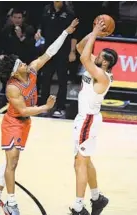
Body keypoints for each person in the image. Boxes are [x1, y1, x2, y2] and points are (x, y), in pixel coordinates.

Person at [0, 18, 79, 215]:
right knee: (12, 164)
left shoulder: (32, 70)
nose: (24, 63)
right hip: (12, 123)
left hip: (24, 124)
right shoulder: (12, 88)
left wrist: (66, 32)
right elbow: (24, 110)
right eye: (20, 64)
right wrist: (46, 107)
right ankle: (10, 203)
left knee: (11, 162)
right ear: (14, 72)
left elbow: (49, 52)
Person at [70, 19, 118, 215]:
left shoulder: (103, 76)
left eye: (100, 56)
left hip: (88, 121)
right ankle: (97, 198)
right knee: (83, 161)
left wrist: (96, 32)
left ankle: (78, 206)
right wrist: (93, 33)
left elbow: (83, 58)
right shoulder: (96, 68)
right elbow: (82, 48)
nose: (95, 55)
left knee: (80, 163)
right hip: (84, 120)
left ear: (105, 62)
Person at [35, 1, 77, 118]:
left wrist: (72, 51)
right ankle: (44, 105)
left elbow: (74, 35)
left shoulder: (70, 13)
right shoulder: (46, 9)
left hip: (63, 51)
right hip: (48, 50)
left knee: (62, 80)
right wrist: (38, 32)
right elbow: (41, 25)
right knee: (45, 78)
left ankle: (60, 107)